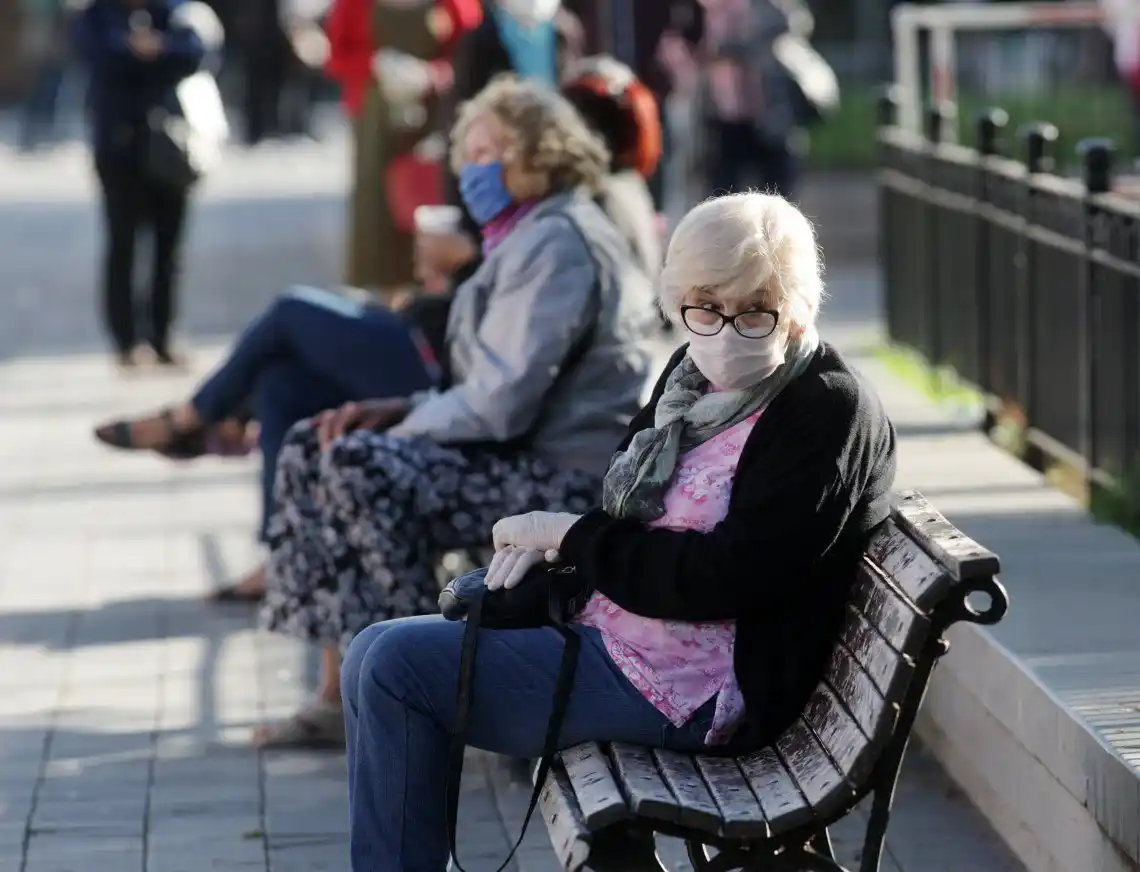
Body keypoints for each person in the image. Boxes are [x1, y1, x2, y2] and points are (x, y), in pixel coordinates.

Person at [338, 191, 897, 870]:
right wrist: (556, 558)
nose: (724, 330)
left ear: (797, 306)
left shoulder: (827, 410)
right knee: (371, 649)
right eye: (703, 306)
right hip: (627, 643)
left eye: (754, 311)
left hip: (700, 690)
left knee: (398, 670)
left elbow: (727, 577)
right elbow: (627, 514)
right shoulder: (691, 380)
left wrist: (575, 538)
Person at [252, 75, 659, 748]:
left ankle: (424, 680)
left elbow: (501, 404)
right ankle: (340, 690)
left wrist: (407, 421)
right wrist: (397, 407)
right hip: (516, 455)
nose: (470, 168)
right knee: (313, 442)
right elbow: (487, 387)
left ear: (538, 151)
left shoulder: (559, 241)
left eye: (487, 151)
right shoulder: (525, 233)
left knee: (360, 468)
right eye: (466, 152)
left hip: (561, 476)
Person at [91, 286, 441, 597]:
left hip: (433, 369)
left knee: (290, 310)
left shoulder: (495, 236)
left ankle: (192, 419)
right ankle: (282, 553)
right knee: (278, 386)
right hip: (419, 337)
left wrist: (456, 259)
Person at [73, 0, 214, 367]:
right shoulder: (99, 14)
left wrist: (158, 48)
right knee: (123, 244)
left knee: (168, 249)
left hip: (170, 145)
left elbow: (198, 52)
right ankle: (126, 338)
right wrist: (142, 52)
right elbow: (101, 56)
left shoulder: (176, 11)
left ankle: (163, 333)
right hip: (119, 147)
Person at [700, 0, 814, 199]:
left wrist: (738, 46)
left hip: (770, 114)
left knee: (778, 194)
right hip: (725, 114)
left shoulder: (772, 6)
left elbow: (795, 24)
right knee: (723, 195)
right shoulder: (709, 7)